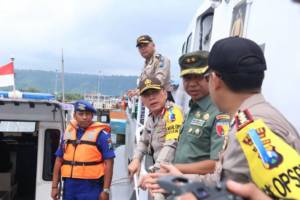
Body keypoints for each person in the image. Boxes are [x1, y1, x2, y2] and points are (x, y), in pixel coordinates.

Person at [172, 50, 228, 175]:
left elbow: (217, 163)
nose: (192, 84)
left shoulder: (219, 113)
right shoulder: (193, 108)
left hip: (199, 188)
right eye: (187, 78)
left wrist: (175, 169)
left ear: (211, 77)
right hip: (179, 183)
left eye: (198, 77)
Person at [51, 100, 115, 200]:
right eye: (81, 114)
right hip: (69, 188)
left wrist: (106, 190)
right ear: (74, 115)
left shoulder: (102, 135)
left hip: (91, 187)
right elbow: (59, 160)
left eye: (88, 114)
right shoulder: (67, 133)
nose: (84, 117)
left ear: (92, 115)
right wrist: (54, 186)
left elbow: (109, 163)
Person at [128, 76, 183, 177]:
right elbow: (144, 141)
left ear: (165, 93)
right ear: (142, 100)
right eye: (146, 95)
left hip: (171, 173)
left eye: (155, 92)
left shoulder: (173, 113)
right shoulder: (152, 117)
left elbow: (172, 143)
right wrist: (136, 159)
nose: (151, 97)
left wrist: (156, 170)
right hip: (159, 170)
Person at [127, 35, 174, 101]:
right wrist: (134, 91)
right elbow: (143, 83)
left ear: (153, 45)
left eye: (145, 45)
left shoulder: (161, 60)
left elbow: (159, 81)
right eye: (140, 47)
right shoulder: (146, 64)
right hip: (150, 99)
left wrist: (140, 90)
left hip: (163, 99)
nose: (143, 49)